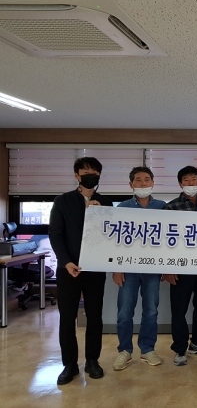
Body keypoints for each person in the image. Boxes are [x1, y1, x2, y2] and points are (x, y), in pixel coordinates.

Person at [48, 157, 113, 385]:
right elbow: (55, 235)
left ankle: (92, 361)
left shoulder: (106, 202)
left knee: (94, 316)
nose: (90, 176)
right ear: (77, 175)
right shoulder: (63, 201)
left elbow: (110, 237)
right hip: (68, 269)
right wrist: (66, 262)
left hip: (95, 269)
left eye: (94, 172)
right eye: (85, 172)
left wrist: (100, 215)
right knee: (67, 318)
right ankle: (69, 364)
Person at [112, 167, 166, 371]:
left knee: (151, 311)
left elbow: (169, 240)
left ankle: (147, 349)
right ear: (131, 184)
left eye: (146, 180)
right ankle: (124, 351)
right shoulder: (122, 207)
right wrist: (116, 269)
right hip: (128, 268)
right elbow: (115, 239)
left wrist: (167, 267)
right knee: (125, 312)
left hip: (153, 268)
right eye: (138, 180)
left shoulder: (162, 207)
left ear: (152, 183)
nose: (143, 183)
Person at [162, 166, 197, 366]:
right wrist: (167, 267)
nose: (191, 183)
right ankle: (180, 348)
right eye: (186, 180)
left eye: (194, 179)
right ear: (180, 183)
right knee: (179, 309)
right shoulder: (171, 207)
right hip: (180, 266)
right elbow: (164, 239)